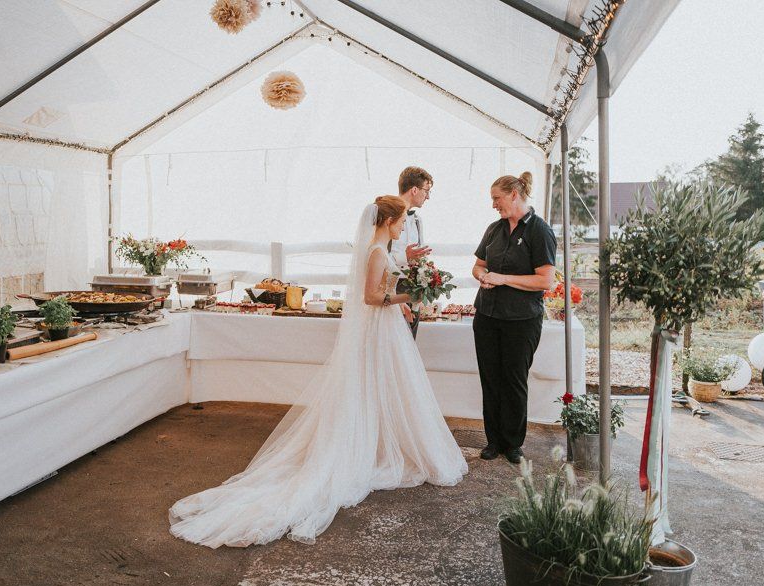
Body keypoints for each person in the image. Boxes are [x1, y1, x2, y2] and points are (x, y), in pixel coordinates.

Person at [169, 195, 468, 548]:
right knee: (374, 387)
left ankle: (377, 444)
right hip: (378, 327)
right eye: (401, 221)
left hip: (385, 329)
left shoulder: (379, 249)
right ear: (388, 221)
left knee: (383, 388)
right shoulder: (375, 251)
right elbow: (371, 297)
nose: (404, 226)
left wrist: (407, 291)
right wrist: (411, 296)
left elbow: (382, 289)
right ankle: (369, 447)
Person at [470, 172, 556, 464]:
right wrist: (483, 276)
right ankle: (493, 441)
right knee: (490, 379)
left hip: (521, 320)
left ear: (514, 195)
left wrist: (503, 278)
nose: (494, 204)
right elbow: (478, 266)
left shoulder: (539, 231)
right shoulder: (494, 230)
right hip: (487, 315)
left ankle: (513, 444)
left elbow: (545, 281)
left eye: (497, 198)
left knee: (514, 380)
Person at [389, 166, 433, 339]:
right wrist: (404, 257)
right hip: (391, 288)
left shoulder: (416, 220)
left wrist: (425, 281)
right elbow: (376, 255)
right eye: (426, 191)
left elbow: (419, 253)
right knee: (393, 345)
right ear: (414, 190)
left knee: (409, 345)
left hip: (413, 289)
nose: (428, 196)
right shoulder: (387, 215)